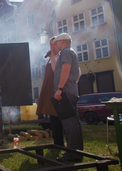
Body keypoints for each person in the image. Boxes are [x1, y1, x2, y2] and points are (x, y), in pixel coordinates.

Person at [53, 33, 84, 162]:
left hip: (65, 92)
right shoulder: (71, 52)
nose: (55, 45)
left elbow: (66, 70)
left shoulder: (66, 53)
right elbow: (78, 73)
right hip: (70, 91)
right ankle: (76, 152)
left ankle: (73, 154)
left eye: (56, 42)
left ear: (62, 42)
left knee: (69, 124)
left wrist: (60, 89)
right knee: (73, 123)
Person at [36, 36, 64, 146]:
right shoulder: (49, 58)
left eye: (54, 44)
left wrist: (52, 57)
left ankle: (61, 143)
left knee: (60, 118)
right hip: (50, 91)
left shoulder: (61, 57)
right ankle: (57, 142)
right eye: (50, 45)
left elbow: (56, 71)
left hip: (58, 91)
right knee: (53, 118)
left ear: (59, 45)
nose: (52, 47)